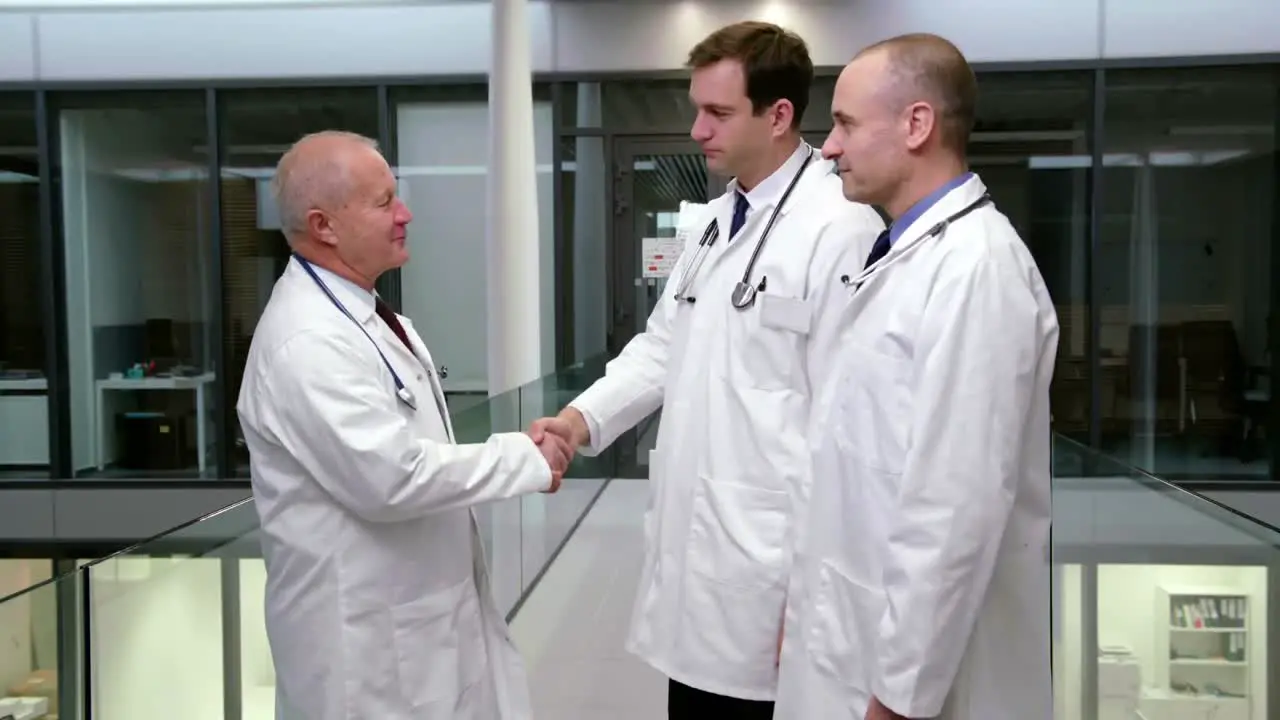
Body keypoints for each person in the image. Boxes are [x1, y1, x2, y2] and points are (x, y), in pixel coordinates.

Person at [529, 21, 885, 719]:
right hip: (704, 563)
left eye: (717, 112)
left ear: (779, 115)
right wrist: (577, 421)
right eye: (697, 108)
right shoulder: (717, 221)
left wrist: (819, 589)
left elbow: (850, 428)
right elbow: (663, 347)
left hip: (775, 570)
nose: (696, 130)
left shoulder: (841, 230)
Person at [236, 130, 572, 720]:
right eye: (384, 201)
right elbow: (391, 478)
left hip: (416, 621)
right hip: (364, 650)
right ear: (325, 226)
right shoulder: (307, 340)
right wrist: (526, 457)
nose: (404, 214)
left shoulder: (366, 313)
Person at [773, 33, 1059, 720]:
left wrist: (901, 698)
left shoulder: (977, 272)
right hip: (848, 635)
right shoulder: (899, 256)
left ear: (917, 124)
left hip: (911, 685)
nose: (829, 147)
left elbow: (953, 509)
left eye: (843, 124)